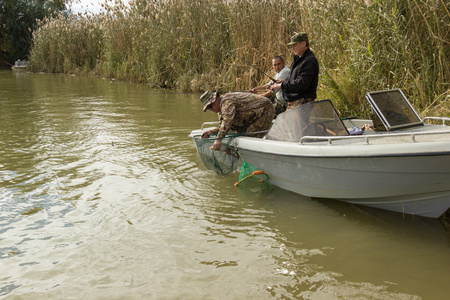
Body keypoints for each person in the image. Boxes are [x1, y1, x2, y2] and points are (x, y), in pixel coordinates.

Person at [200, 91, 275, 151]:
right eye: (208, 108)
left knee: (249, 136)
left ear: (216, 99)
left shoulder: (226, 101)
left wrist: (218, 140)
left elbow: (227, 121)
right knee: (239, 134)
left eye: (210, 106)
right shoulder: (220, 110)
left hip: (265, 110)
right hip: (250, 117)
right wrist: (212, 132)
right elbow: (223, 126)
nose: (211, 109)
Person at [270, 32, 319, 110]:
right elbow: (294, 80)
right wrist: (284, 81)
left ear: (303, 44)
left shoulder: (309, 61)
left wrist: (281, 86)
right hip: (292, 103)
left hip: (303, 104)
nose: (293, 48)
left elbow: (301, 84)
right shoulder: (297, 60)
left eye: (295, 45)